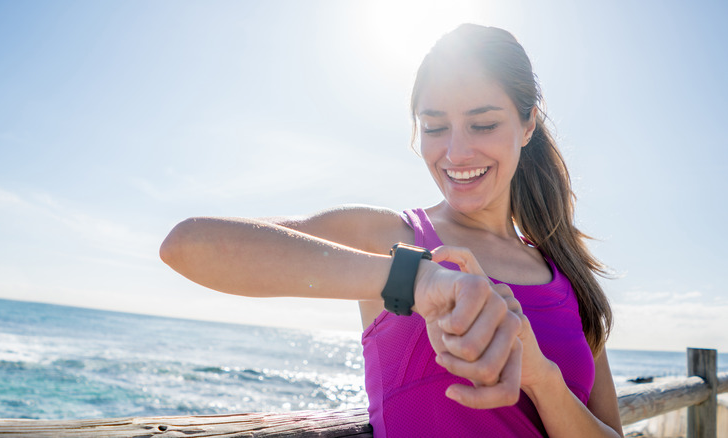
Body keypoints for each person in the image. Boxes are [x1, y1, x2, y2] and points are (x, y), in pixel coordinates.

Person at [160, 23, 623, 438]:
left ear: (528, 125)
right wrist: (416, 280)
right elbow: (188, 246)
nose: (456, 152)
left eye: (482, 124)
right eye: (435, 126)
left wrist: (543, 380)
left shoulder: (568, 277)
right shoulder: (395, 237)